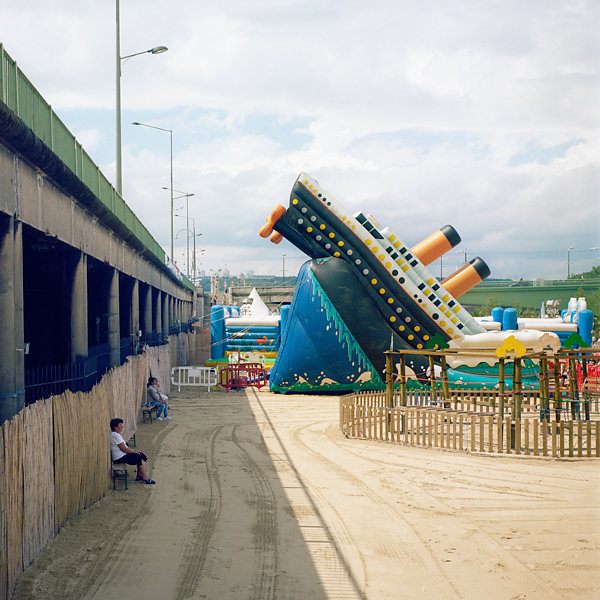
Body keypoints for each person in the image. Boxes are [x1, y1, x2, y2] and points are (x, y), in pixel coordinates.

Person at [110, 418, 156, 484]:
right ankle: (145, 478)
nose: (122, 426)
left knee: (141, 456)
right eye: (120, 425)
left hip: (122, 455)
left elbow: (124, 448)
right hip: (120, 457)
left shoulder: (115, 434)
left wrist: (134, 451)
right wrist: (133, 451)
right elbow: (124, 449)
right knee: (140, 457)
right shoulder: (116, 435)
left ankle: (140, 477)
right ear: (115, 427)